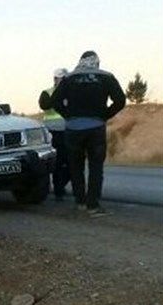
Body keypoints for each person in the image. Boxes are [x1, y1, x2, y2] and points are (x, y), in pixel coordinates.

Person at [51, 51, 126, 216]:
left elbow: (54, 101)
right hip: (96, 128)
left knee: (75, 166)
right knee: (96, 167)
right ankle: (93, 205)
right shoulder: (106, 77)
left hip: (73, 129)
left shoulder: (69, 78)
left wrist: (68, 116)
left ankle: (80, 202)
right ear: (97, 62)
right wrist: (104, 115)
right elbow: (120, 100)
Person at [38, 68, 70, 200]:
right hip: (53, 132)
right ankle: (58, 189)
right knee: (58, 162)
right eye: (61, 79)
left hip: (69, 131)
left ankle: (61, 184)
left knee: (71, 162)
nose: (63, 81)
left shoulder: (72, 93)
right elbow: (44, 105)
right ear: (55, 79)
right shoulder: (47, 93)